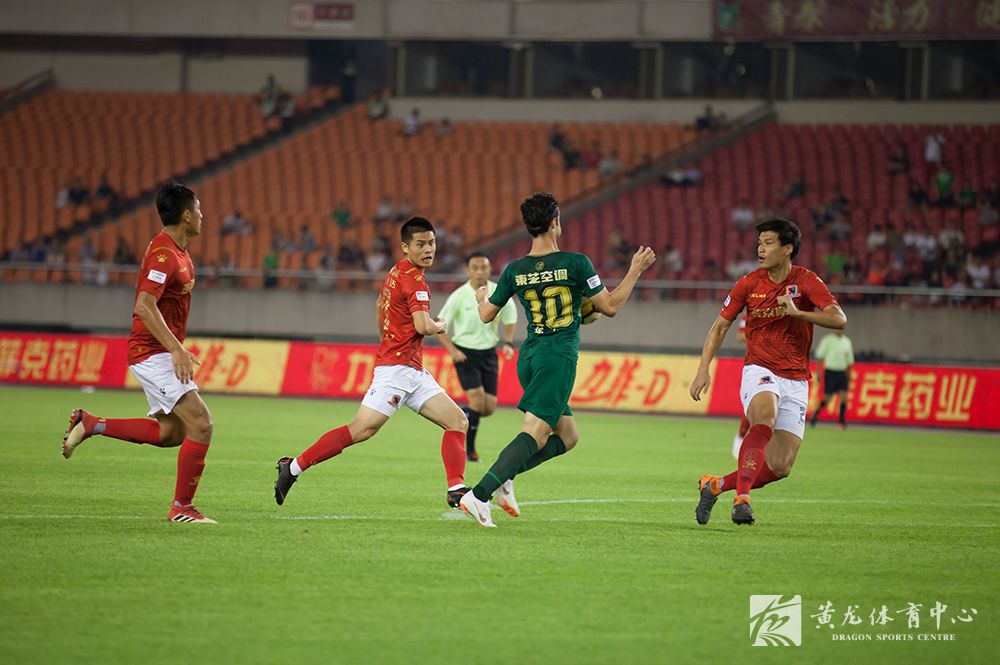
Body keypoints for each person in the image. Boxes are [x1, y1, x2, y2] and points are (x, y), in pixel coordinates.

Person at [458, 192, 656, 527]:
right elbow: (609, 307)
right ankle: (479, 495)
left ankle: (505, 475)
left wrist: (480, 297)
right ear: (555, 222)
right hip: (557, 358)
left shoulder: (515, 270)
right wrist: (635, 269)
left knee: (568, 436)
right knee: (535, 433)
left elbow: (487, 315)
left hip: (530, 356)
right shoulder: (576, 263)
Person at [273, 217, 470, 509]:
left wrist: (388, 341)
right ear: (405, 247)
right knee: (361, 430)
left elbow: (379, 306)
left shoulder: (396, 271)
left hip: (411, 368)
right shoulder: (415, 280)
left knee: (457, 421)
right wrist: (439, 325)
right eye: (420, 244)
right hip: (398, 370)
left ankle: (456, 489)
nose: (428, 249)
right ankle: (292, 468)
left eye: (431, 243)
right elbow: (422, 326)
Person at [61, 183, 217, 524]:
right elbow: (144, 306)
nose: (202, 215)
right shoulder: (164, 254)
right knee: (201, 424)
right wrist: (176, 349)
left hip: (158, 350)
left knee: (171, 434)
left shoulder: (177, 251)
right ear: (186, 215)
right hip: (152, 352)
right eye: (198, 209)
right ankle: (182, 508)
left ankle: (92, 424)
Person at [689, 218, 847, 526]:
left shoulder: (807, 281)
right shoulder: (748, 284)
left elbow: (839, 319)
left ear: (787, 249)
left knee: (780, 467)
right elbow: (720, 327)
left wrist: (799, 313)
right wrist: (703, 368)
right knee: (764, 417)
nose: (760, 249)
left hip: (796, 378)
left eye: (769, 243)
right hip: (760, 368)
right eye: (759, 243)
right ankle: (742, 500)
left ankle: (714, 485)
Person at [437, 252, 518, 462]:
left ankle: (462, 414)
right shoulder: (459, 295)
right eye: (475, 268)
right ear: (468, 270)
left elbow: (510, 316)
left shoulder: (498, 292)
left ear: (490, 269)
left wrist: (508, 342)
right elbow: (440, 324)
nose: (480, 271)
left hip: (489, 353)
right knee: (477, 398)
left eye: (484, 267)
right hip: (465, 353)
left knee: (488, 408)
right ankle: (470, 452)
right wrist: (453, 350)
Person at [809, 329, 855, 429]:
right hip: (830, 372)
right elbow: (819, 357)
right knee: (827, 399)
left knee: (844, 397)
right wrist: (819, 372)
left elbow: (849, 362)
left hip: (842, 372)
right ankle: (815, 414)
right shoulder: (828, 340)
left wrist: (849, 375)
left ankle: (841, 421)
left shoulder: (847, 342)